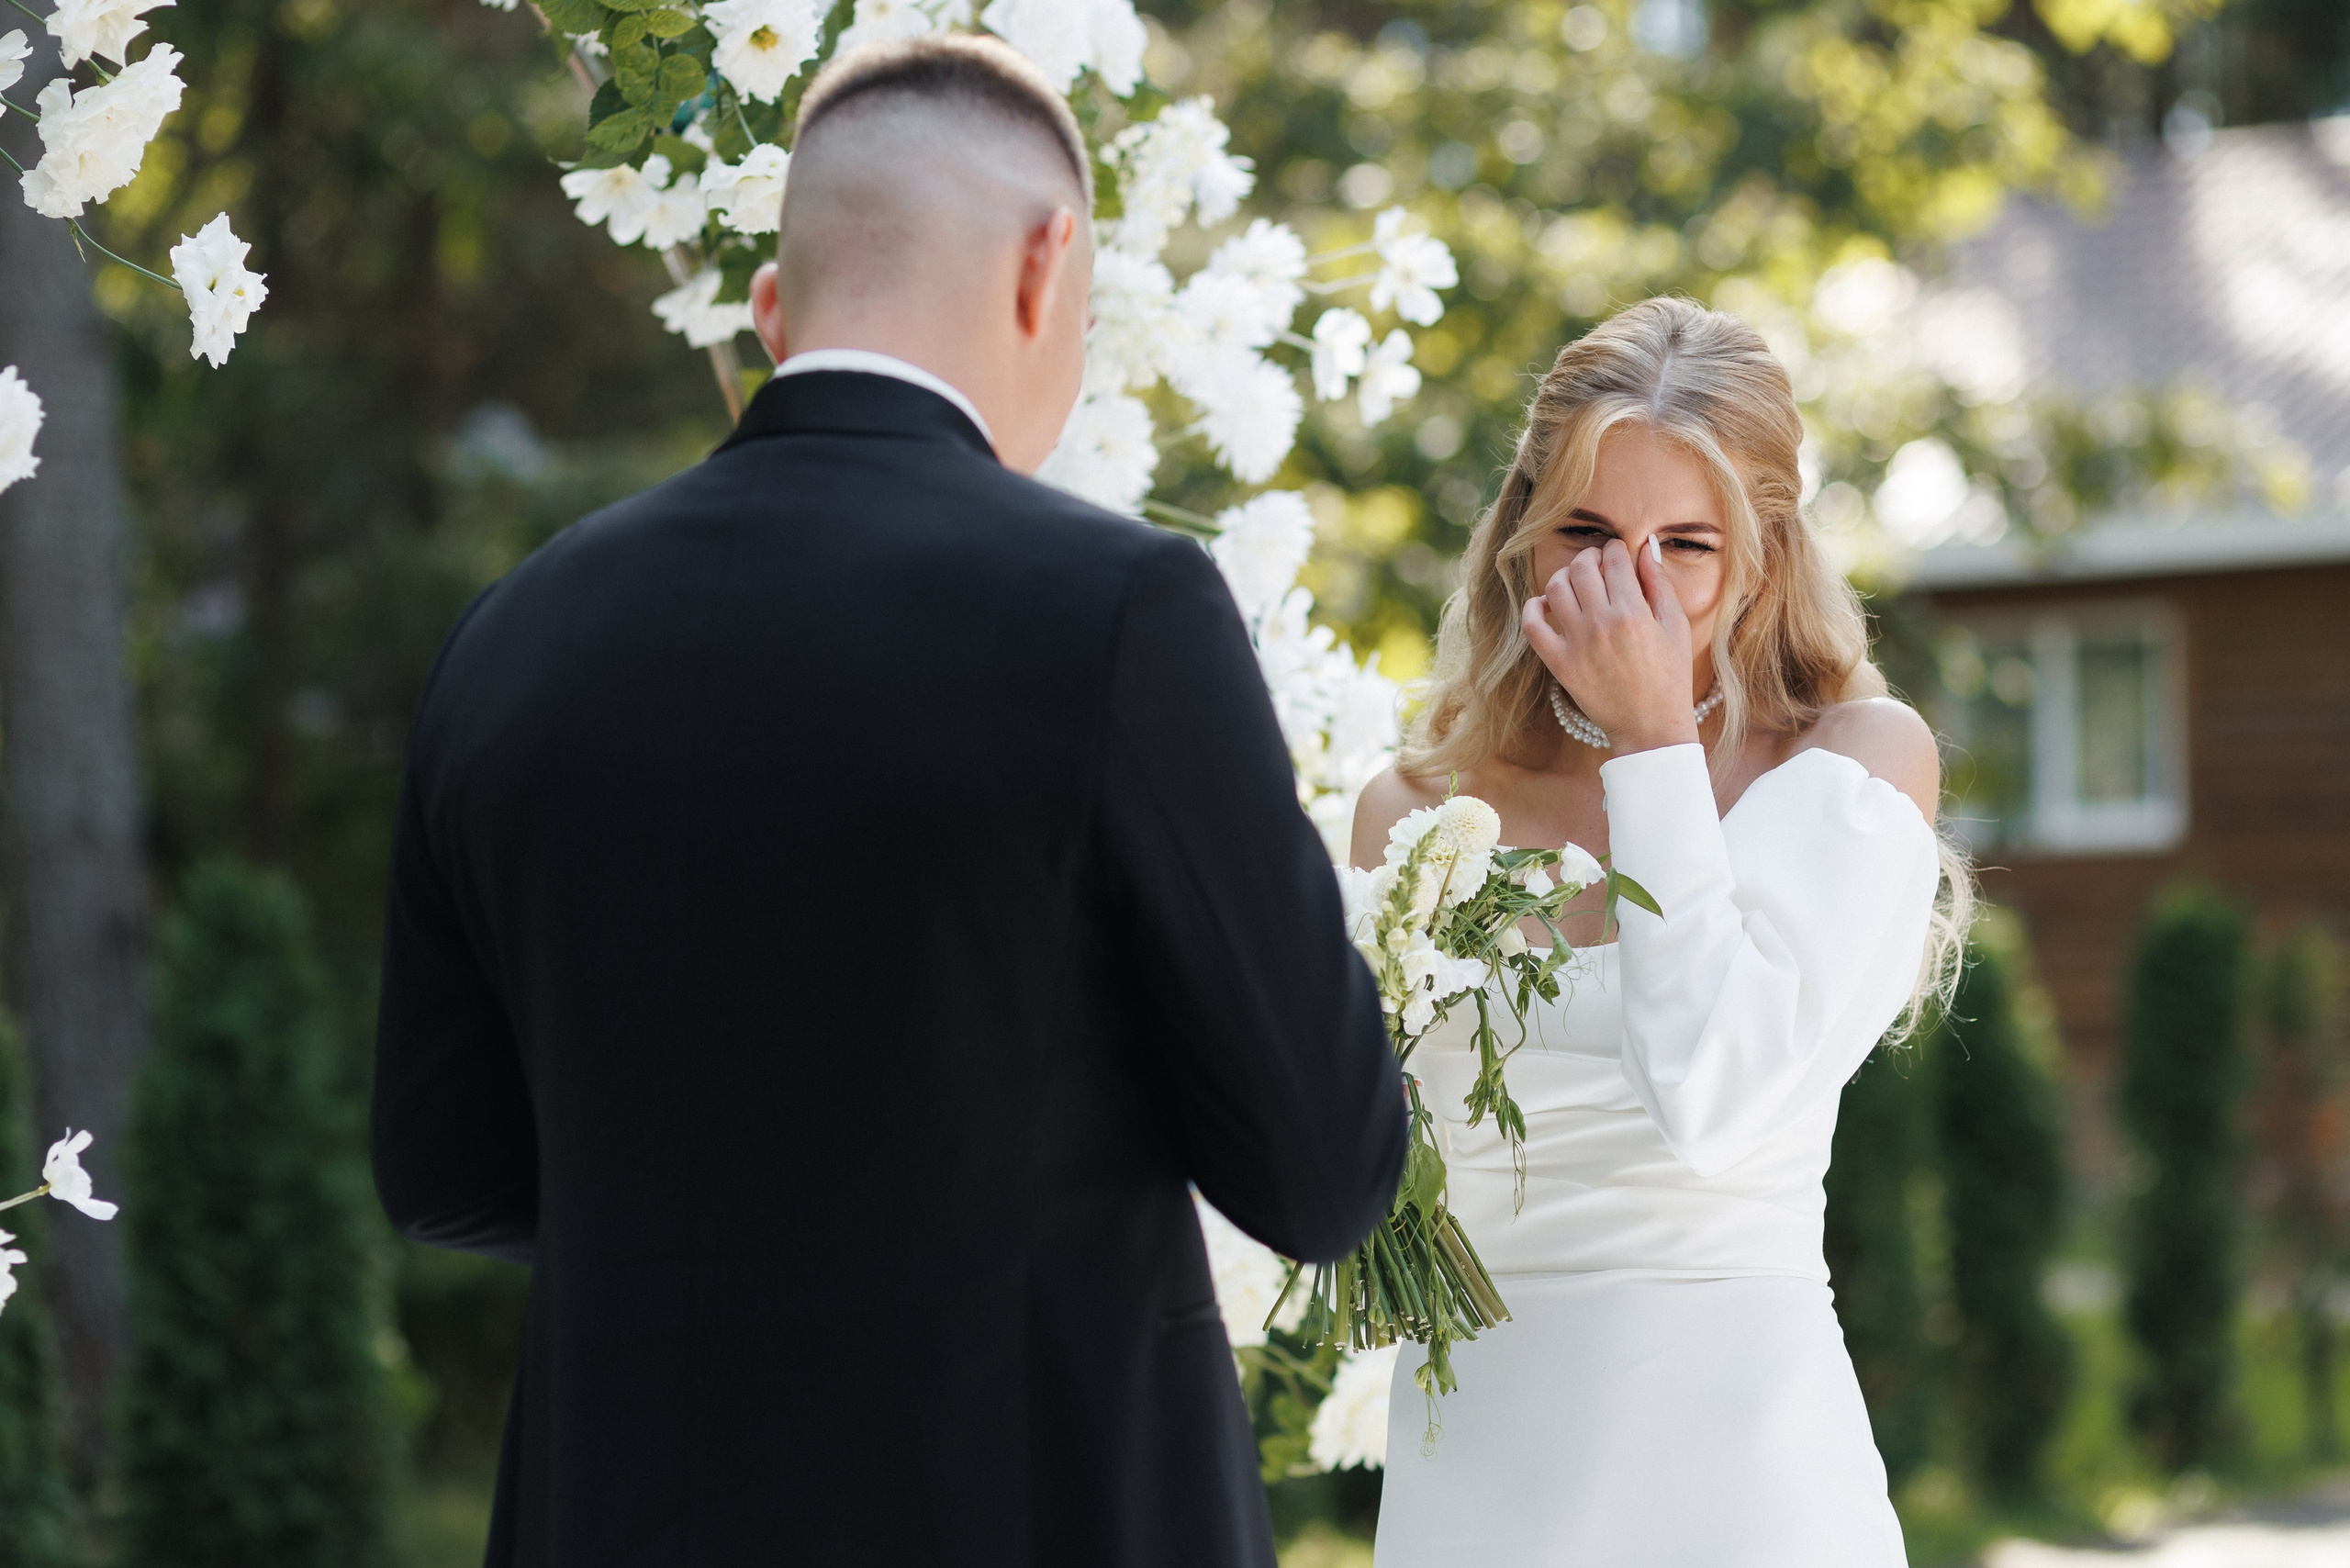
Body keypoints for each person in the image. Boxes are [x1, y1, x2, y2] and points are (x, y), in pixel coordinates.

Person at [370, 35, 1405, 1568]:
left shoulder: (515, 635)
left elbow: (443, 1168)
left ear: (777, 311)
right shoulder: (1122, 611)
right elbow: (1323, 1175)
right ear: (1049, 267)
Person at [1360, 297, 1968, 1567]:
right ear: (1523, 537)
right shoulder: (1416, 813)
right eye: (1584, 529)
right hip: (1477, 1474)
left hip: (1747, 1477)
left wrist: (1652, 746)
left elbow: (1711, 1094)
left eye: (1684, 544)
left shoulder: (1854, 767)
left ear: (1760, 556)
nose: (1629, 585)